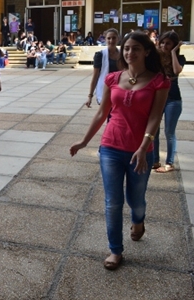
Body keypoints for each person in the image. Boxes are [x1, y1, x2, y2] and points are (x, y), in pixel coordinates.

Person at [70, 31, 170, 270]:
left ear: (146, 51)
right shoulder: (113, 78)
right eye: (126, 48)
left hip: (141, 151)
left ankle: (138, 220)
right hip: (111, 147)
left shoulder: (159, 81)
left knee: (135, 199)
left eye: (135, 48)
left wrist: (144, 147)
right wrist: (84, 142)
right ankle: (115, 250)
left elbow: (155, 117)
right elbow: (102, 113)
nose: (129, 52)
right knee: (112, 202)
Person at [153, 31, 185, 173]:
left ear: (174, 45)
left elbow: (177, 71)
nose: (165, 46)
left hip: (173, 99)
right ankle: (154, 160)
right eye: (163, 42)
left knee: (169, 132)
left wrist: (173, 53)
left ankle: (170, 163)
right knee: (154, 130)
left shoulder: (179, 58)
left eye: (169, 43)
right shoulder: (156, 58)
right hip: (158, 98)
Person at [85, 28, 120, 108]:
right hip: (106, 91)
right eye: (109, 38)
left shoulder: (123, 54)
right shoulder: (100, 55)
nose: (111, 40)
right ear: (105, 39)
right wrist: (90, 96)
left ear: (118, 39)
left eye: (114, 38)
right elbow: (95, 77)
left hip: (120, 91)